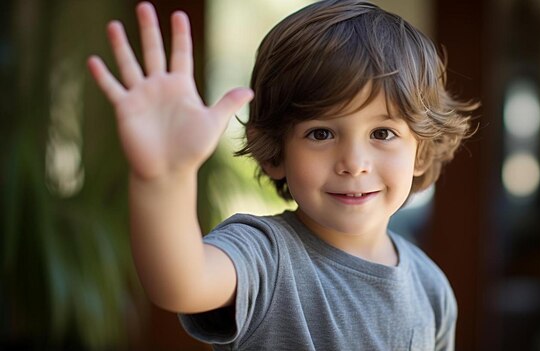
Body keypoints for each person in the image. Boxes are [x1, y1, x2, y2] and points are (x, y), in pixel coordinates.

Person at [88, 1, 477, 350]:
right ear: (275, 152)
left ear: (421, 153)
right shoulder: (265, 254)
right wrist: (164, 177)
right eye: (321, 133)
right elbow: (179, 283)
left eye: (383, 133)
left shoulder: (431, 289)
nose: (354, 162)